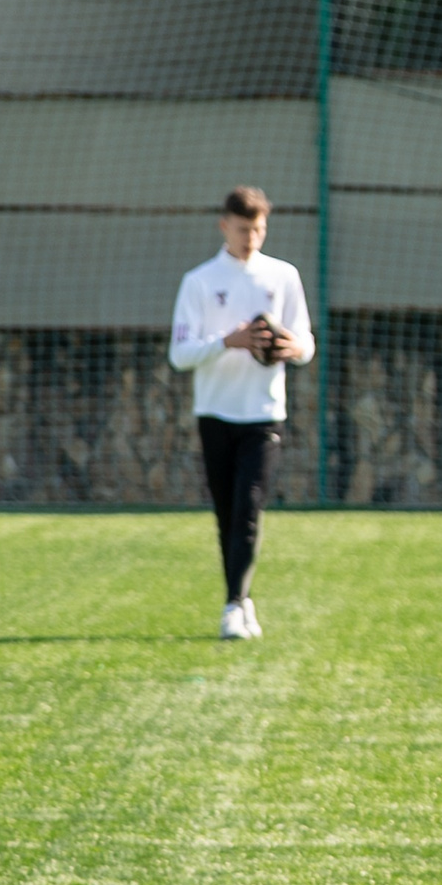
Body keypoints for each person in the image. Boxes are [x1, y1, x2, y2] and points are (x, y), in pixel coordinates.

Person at [168, 186, 315, 641]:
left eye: (258, 228)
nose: (251, 237)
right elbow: (179, 354)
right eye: (242, 228)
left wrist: (294, 347)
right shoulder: (199, 281)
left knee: (249, 507)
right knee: (227, 513)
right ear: (224, 226)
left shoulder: (283, 276)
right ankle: (240, 598)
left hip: (263, 413)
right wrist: (225, 343)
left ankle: (233, 604)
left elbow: (306, 343)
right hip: (215, 412)